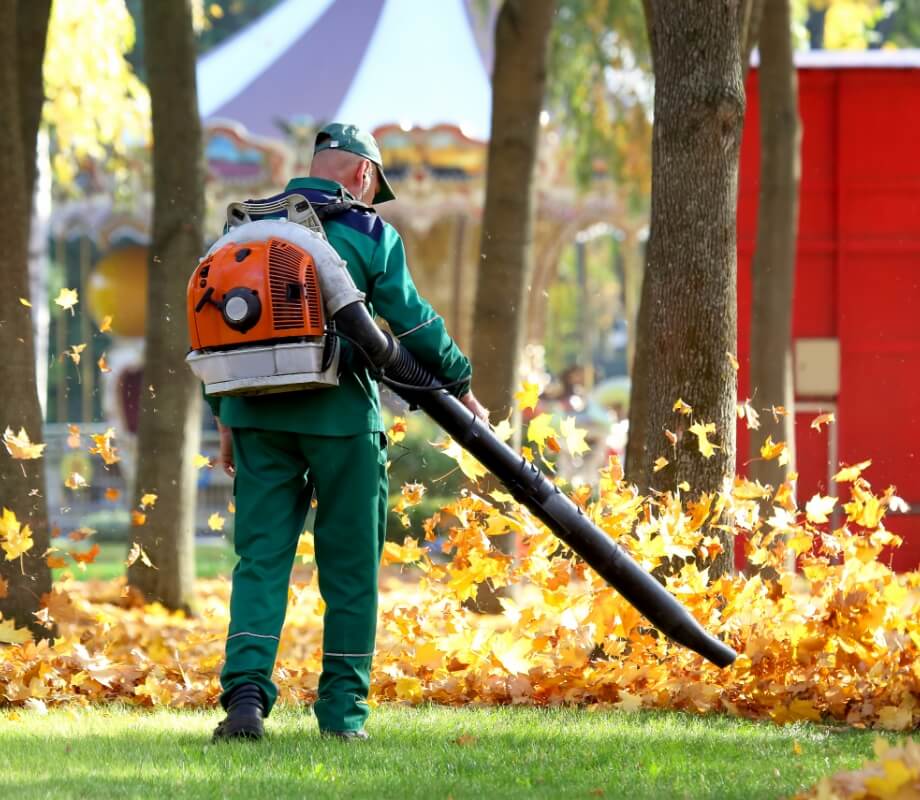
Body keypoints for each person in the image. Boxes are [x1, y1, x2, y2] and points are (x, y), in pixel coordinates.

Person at [206, 123, 488, 742]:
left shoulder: (242, 231)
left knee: (260, 562)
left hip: (254, 417)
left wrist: (223, 418)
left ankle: (246, 698)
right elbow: (410, 324)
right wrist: (459, 382)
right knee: (351, 569)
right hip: (341, 423)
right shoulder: (366, 230)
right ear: (364, 175)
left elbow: (216, 329)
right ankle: (341, 715)